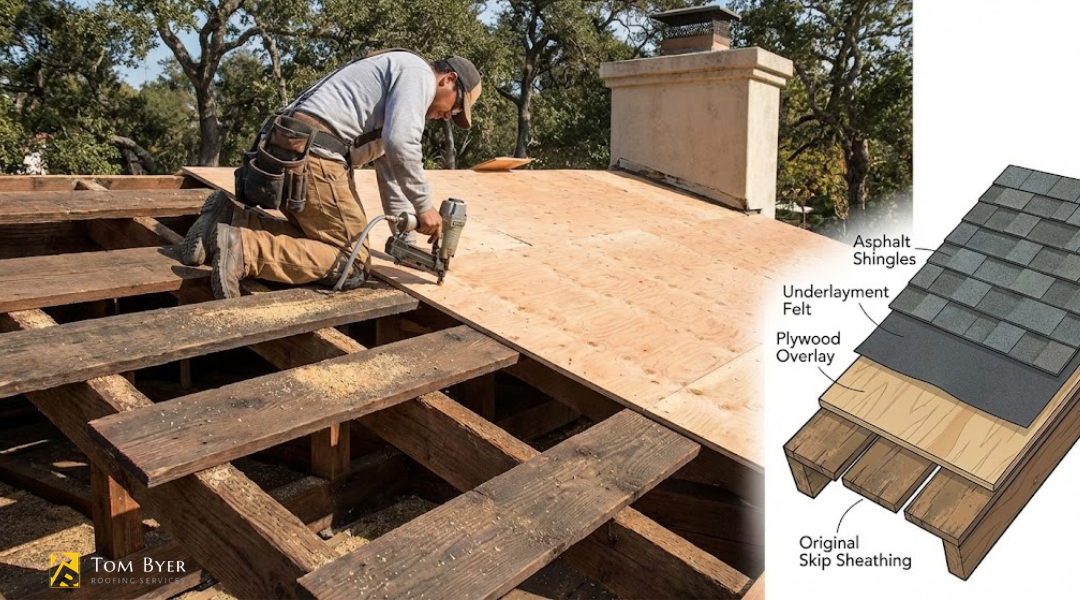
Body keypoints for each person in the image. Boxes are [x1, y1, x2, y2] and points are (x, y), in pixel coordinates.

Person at [180, 50, 482, 299]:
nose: (448, 116)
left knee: (319, 238)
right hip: (316, 155)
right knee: (352, 261)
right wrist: (425, 207)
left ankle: (230, 218)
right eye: (455, 108)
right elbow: (401, 143)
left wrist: (405, 239)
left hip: (286, 145)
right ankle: (244, 249)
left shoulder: (397, 75)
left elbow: (390, 169)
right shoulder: (419, 74)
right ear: (448, 79)